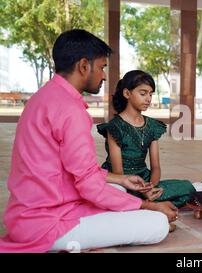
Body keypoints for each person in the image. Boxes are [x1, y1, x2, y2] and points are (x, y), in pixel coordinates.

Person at [0, 29, 176, 253]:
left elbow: (77, 170)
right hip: (48, 223)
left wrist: (120, 180)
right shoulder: (71, 111)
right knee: (157, 224)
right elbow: (89, 186)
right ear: (84, 66)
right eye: (102, 67)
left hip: (27, 212)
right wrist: (148, 206)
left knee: (119, 192)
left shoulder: (42, 97)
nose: (104, 75)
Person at [97, 70, 196, 208]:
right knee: (116, 193)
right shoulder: (115, 127)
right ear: (127, 94)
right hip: (121, 182)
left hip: (145, 180)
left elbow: (155, 167)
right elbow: (118, 173)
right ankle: (152, 206)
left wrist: (151, 188)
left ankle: (146, 205)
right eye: (143, 93)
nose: (148, 99)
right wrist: (142, 191)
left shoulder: (152, 126)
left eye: (150, 94)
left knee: (188, 187)